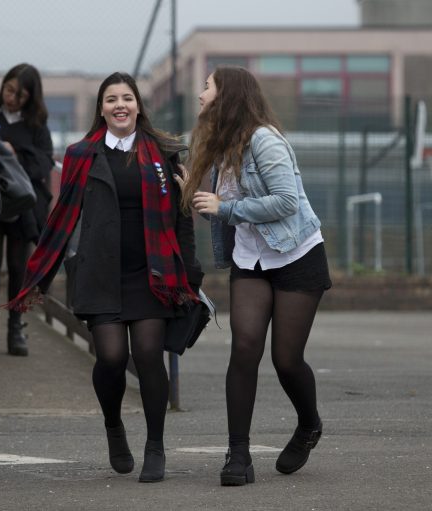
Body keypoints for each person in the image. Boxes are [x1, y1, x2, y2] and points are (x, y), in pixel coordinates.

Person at [7, 72, 203, 483]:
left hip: (153, 272)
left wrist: (189, 269)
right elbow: (62, 216)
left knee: (149, 355)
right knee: (111, 358)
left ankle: (155, 446)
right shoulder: (82, 153)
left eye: (127, 98)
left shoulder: (163, 152)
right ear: (101, 108)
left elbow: (180, 215)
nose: (120, 105)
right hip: (100, 272)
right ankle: (114, 427)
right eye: (111, 99)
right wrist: (38, 275)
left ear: (138, 105)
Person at [180, 66, 332, 486]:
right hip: (251, 259)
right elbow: (216, 201)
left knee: (285, 359)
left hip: (296, 254)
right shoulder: (220, 143)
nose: (200, 93)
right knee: (244, 347)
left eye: (207, 86)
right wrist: (188, 190)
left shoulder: (264, 140)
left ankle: (308, 424)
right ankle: (239, 455)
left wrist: (225, 208)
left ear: (227, 94)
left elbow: (285, 202)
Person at [0, 63, 55, 376]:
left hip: (22, 207)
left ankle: (15, 326)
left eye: (19, 95)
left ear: (31, 97)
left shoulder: (37, 124)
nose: (12, 98)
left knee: (20, 268)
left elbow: (42, 164)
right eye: (9, 90)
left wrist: (12, 154)